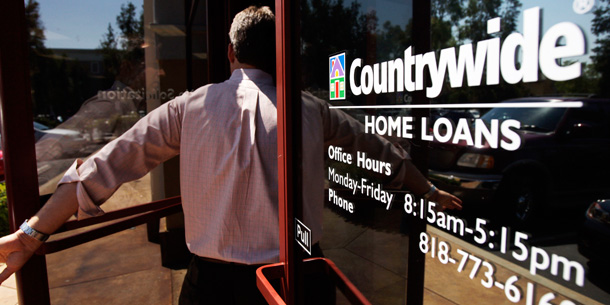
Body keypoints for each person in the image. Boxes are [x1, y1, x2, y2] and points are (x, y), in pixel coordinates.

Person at [0, 6, 462, 305]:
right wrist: (433, 190)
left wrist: (31, 232)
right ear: (283, 55)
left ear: (230, 54)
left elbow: (105, 167)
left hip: (212, 289)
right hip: (299, 280)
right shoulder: (312, 110)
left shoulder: (188, 107)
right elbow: (388, 155)